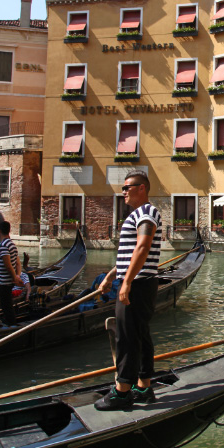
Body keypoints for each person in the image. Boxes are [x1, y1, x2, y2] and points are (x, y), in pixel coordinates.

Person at [95, 170, 163, 411]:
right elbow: (129, 254)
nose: (123, 191)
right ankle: (143, 387)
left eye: (127, 187)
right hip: (137, 282)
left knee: (126, 338)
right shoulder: (137, 214)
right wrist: (111, 277)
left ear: (141, 188)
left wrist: (126, 283)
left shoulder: (147, 213)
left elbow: (143, 248)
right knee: (141, 335)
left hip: (137, 285)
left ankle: (122, 391)